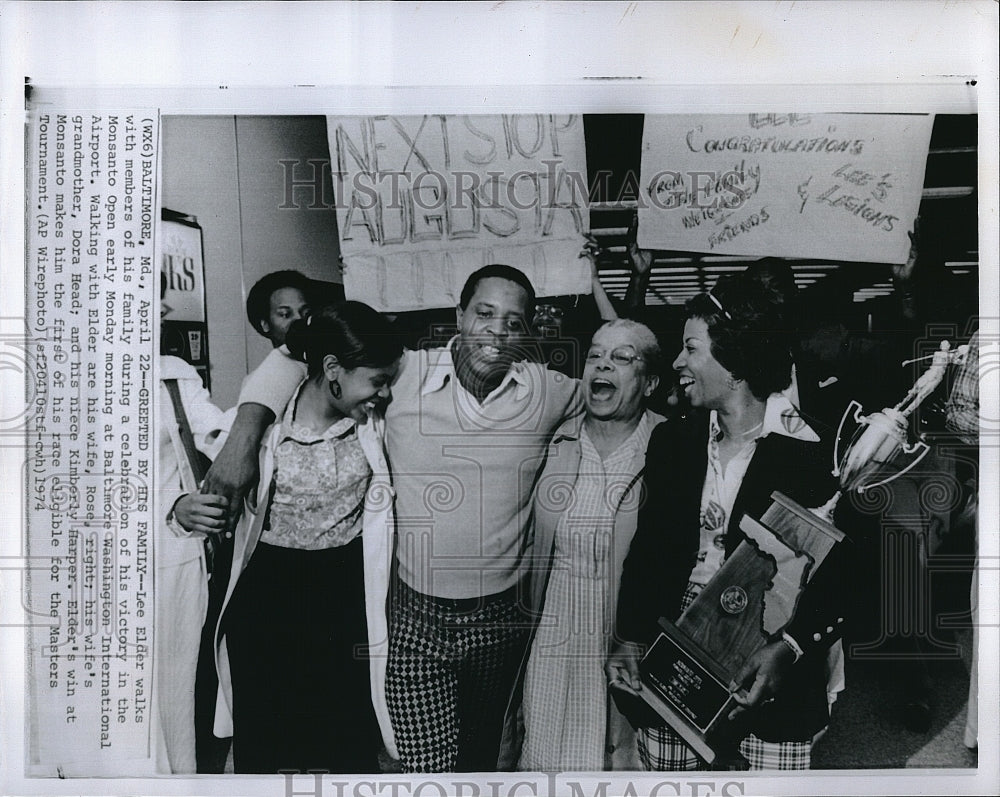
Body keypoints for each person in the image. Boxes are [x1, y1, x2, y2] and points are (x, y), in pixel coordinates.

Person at [204, 264, 582, 773]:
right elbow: (301, 355)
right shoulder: (402, 373)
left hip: (500, 621)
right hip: (414, 619)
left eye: (514, 322)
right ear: (458, 316)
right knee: (422, 768)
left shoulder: (549, 391)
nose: (497, 332)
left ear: (528, 333)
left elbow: (622, 383)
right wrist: (244, 435)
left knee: (479, 759)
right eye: (484, 314)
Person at [607, 274, 846, 771]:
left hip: (771, 676)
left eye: (690, 348)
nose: (677, 362)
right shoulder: (673, 442)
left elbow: (848, 576)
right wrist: (629, 636)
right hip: (674, 667)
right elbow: (649, 551)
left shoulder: (818, 454)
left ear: (734, 361)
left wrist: (792, 647)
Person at [212, 301, 403, 774]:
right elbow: (281, 364)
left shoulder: (372, 423)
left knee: (342, 740)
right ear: (333, 369)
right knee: (267, 740)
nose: (384, 394)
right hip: (268, 595)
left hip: (341, 595)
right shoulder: (268, 424)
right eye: (376, 382)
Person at [518, 319, 665, 771]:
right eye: (596, 355)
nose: (603, 364)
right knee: (542, 752)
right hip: (552, 625)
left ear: (651, 381)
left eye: (622, 358)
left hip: (623, 629)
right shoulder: (554, 437)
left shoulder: (672, 445)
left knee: (616, 758)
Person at [157, 330, 229, 773]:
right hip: (89, 574)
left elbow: (220, 436)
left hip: (171, 561)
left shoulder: (172, 375)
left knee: (174, 698)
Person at [245, 269, 315, 348]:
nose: (299, 319)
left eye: (306, 313)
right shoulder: (273, 360)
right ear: (265, 325)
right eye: (285, 314)